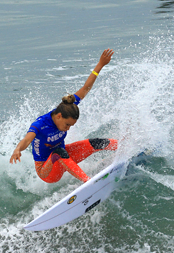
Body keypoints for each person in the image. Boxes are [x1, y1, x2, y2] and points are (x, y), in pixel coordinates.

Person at [10, 49, 118, 183]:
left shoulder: (67, 107)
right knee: (59, 153)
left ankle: (126, 148)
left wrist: (100, 65)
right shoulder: (40, 124)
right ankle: (88, 182)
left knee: (96, 142)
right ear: (59, 116)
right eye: (67, 125)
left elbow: (85, 89)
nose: (68, 129)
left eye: (71, 126)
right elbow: (26, 140)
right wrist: (17, 149)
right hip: (46, 170)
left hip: (64, 157)